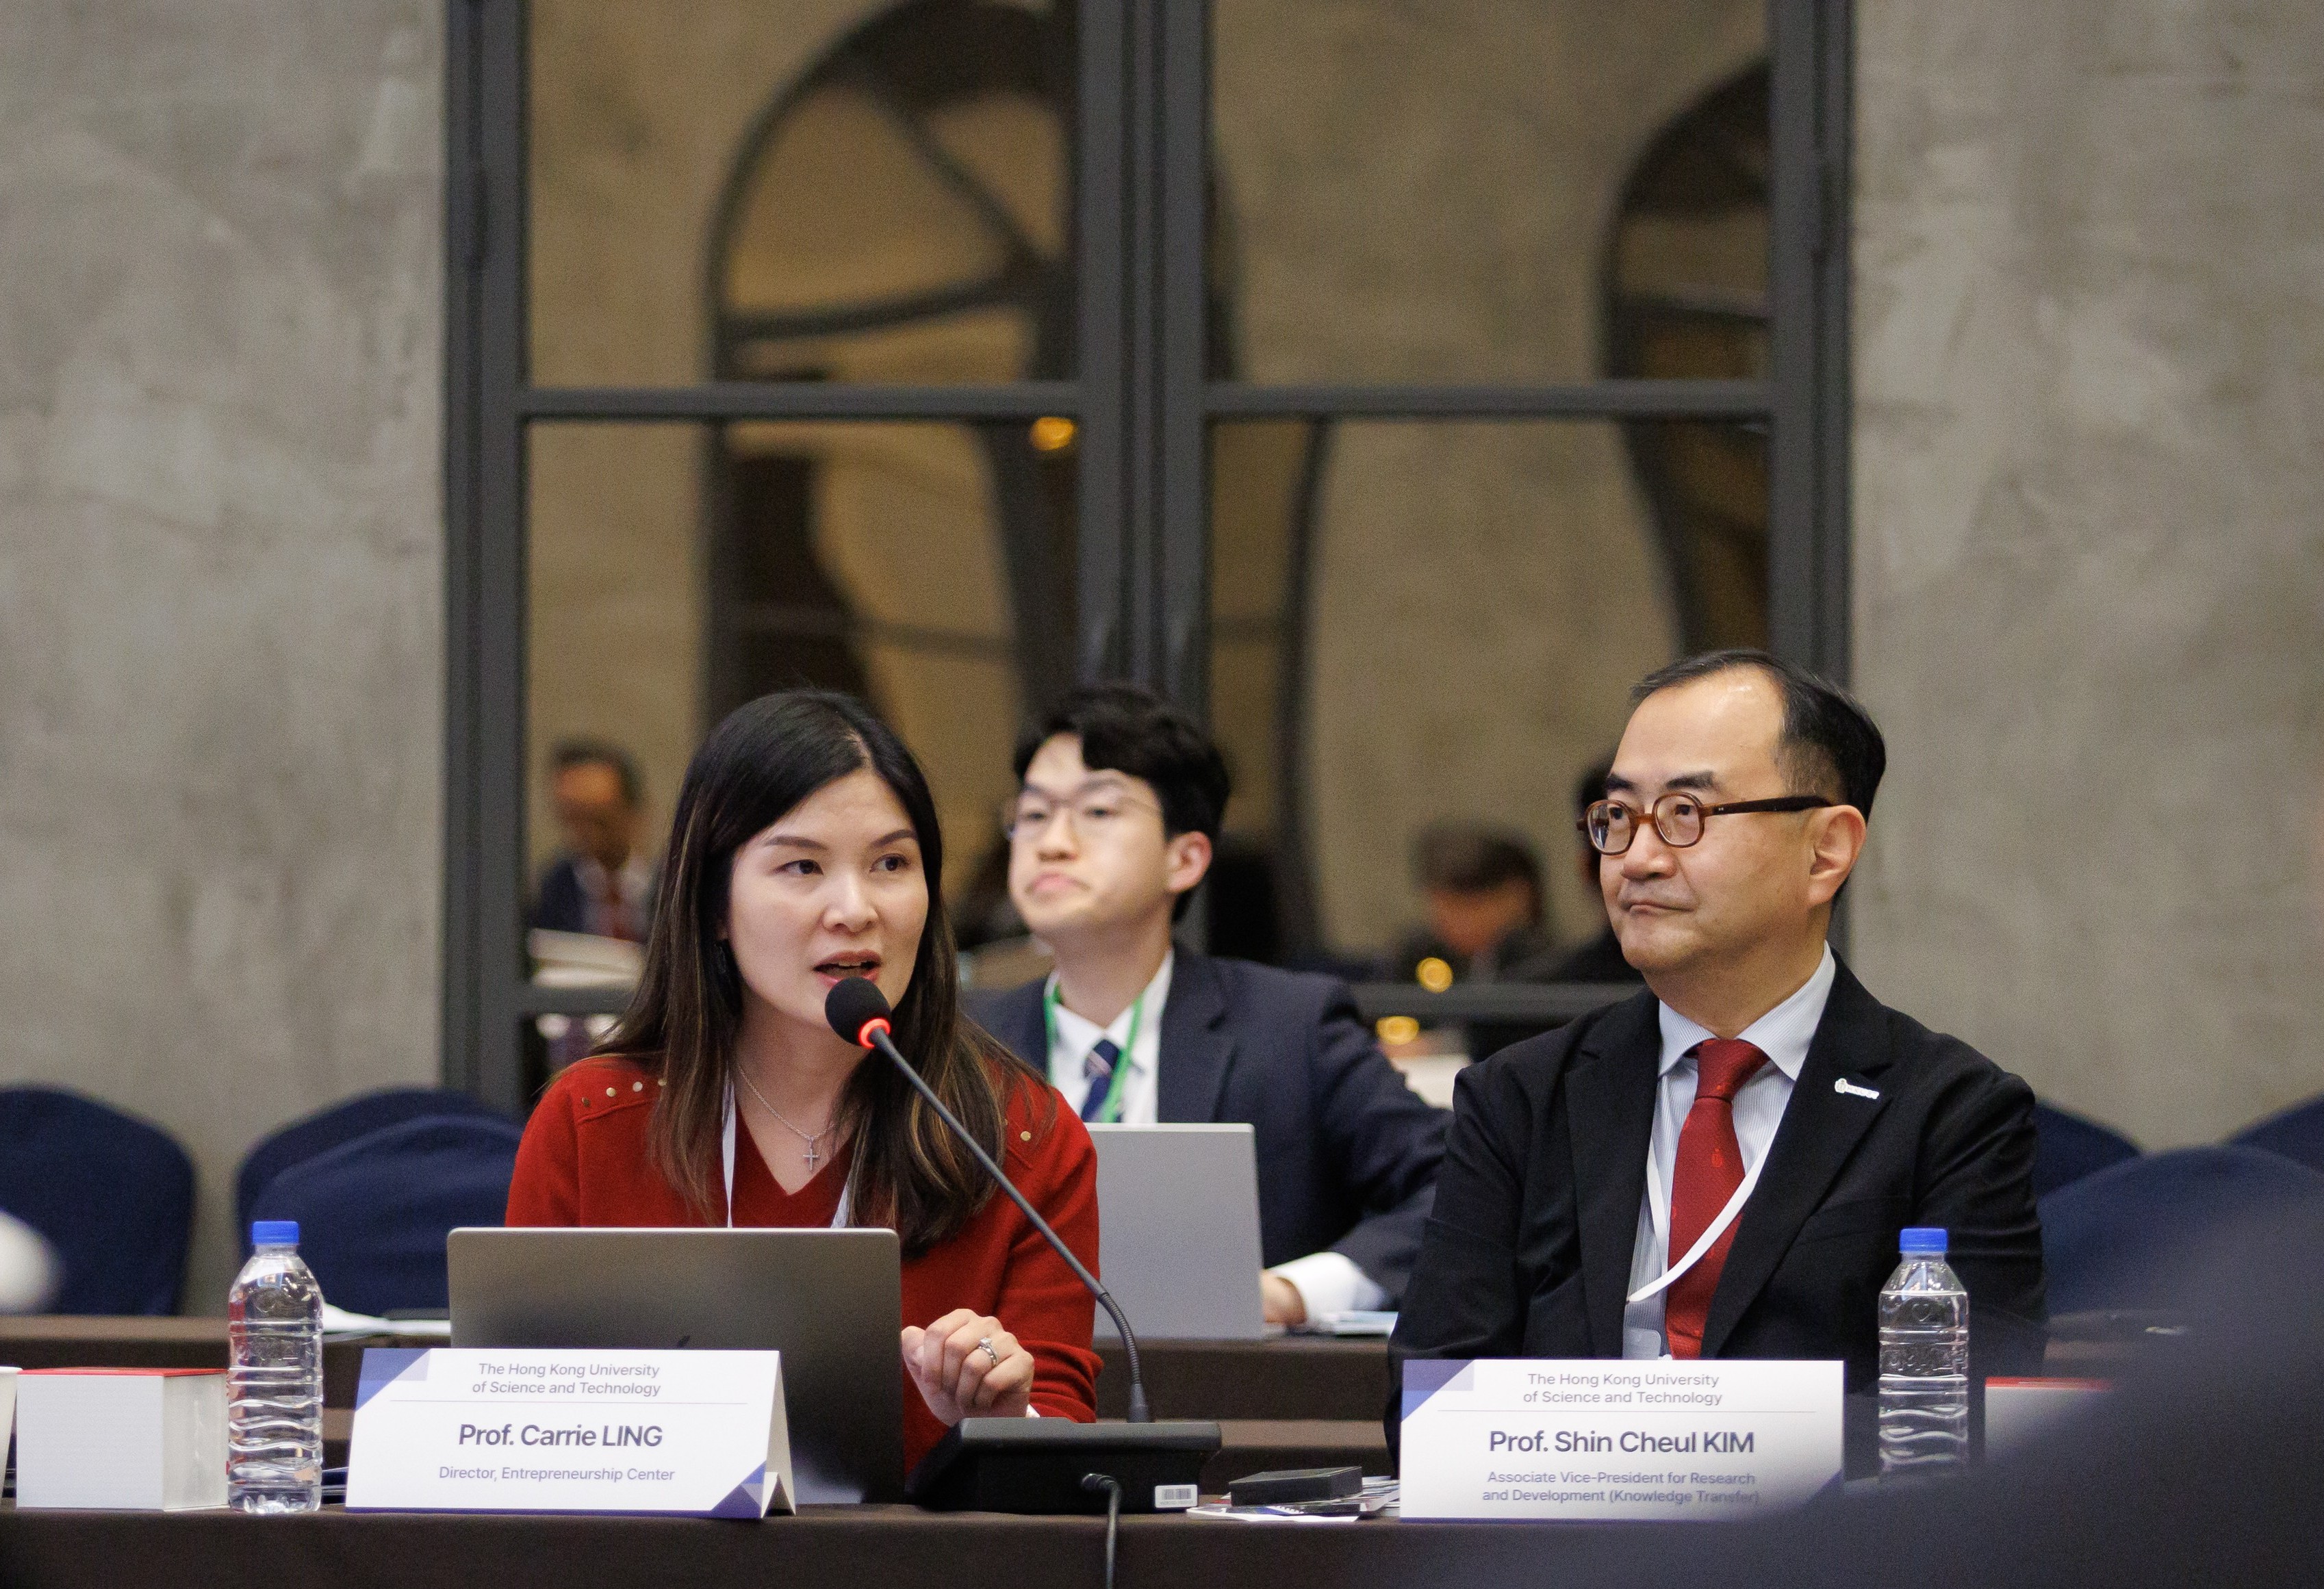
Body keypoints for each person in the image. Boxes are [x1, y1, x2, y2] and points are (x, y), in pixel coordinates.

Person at [1392, 650, 2045, 1422]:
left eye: (1683, 815)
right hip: (1561, 1535)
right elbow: (1429, 1409)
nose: (1634, 860)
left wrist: (1706, 1456)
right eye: (1617, 817)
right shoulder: (1521, 1098)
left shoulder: (1948, 1113)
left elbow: (1966, 1417)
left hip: (1819, 1543)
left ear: (1824, 850)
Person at [507, 692, 1100, 1472]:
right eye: (801, 866)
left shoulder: (1018, 1138)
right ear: (714, 902)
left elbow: (1067, 1462)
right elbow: (509, 1428)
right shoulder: (590, 1122)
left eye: (891, 863)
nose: (854, 910)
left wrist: (1002, 1422)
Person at [969, 683, 1446, 1326]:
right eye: (1032, 815)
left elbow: (1452, 1186)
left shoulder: (1290, 1028)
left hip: (1225, 1400)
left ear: (1185, 857)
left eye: (1098, 812)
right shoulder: (963, 1043)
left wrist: (1292, 1294)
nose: (1051, 842)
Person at [1385, 826, 1560, 985]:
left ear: (1519, 897)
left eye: (1473, 906)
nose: (1461, 922)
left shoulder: (1545, 965)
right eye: (1448, 905)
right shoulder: (1415, 958)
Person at [533, 739, 656, 942]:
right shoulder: (553, 892)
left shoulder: (666, 884)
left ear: (632, 813)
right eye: (574, 819)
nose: (589, 835)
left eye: (600, 820)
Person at [1541, 758, 1646, 984]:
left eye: (1683, 811)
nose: (1640, 861)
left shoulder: (1530, 996)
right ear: (1588, 867)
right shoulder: (1522, 1006)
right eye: (1617, 817)